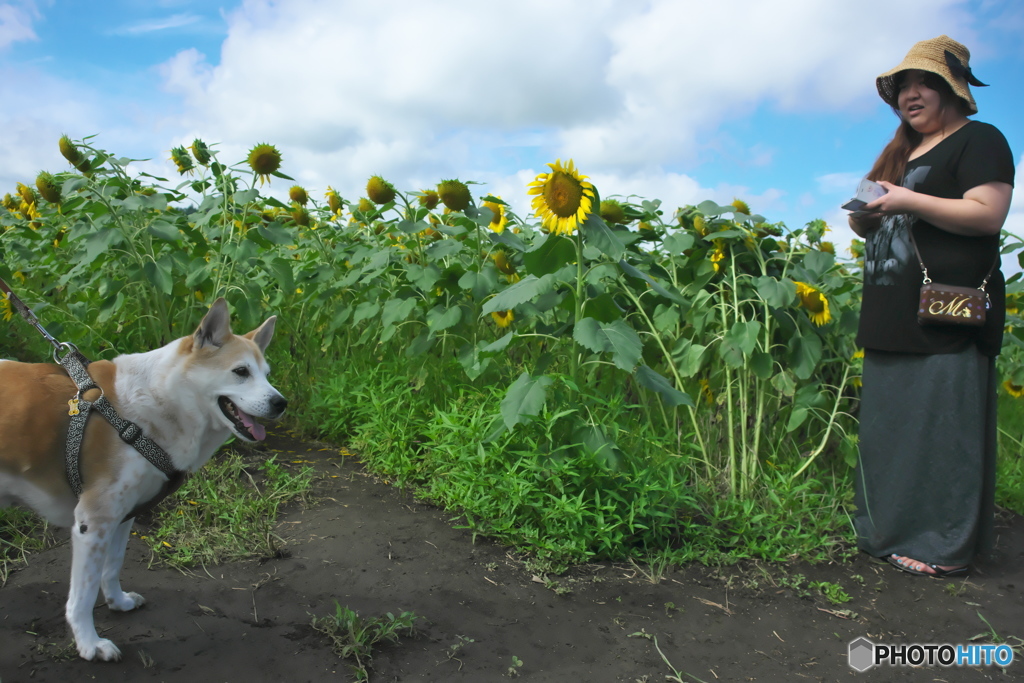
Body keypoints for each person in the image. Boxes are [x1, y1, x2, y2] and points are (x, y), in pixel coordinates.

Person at [848, 35, 1015, 577]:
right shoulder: (899, 151)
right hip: (893, 310)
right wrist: (866, 215)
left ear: (952, 89)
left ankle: (942, 547)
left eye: (924, 84)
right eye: (902, 87)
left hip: (947, 308)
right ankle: (888, 531)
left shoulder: (979, 140)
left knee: (943, 428)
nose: (910, 95)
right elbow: (866, 215)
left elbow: (987, 214)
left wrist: (905, 199)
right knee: (892, 427)